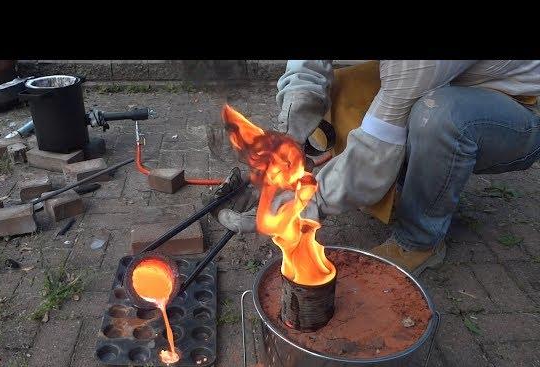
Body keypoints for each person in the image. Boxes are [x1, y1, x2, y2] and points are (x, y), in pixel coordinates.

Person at [213, 60, 540, 275]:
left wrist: (309, 199)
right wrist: (289, 138)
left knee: (439, 116)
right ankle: (405, 180)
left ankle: (420, 240)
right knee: (346, 86)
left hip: (512, 111)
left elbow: (375, 147)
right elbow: (308, 68)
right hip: (449, 78)